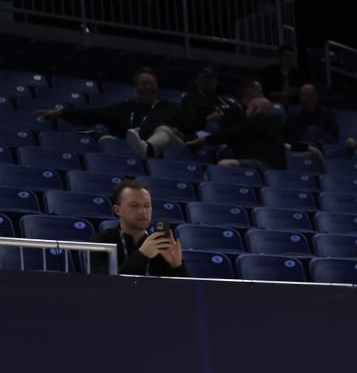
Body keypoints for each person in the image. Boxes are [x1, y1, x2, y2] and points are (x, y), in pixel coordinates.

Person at [39, 67, 188, 159]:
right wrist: (62, 113)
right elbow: (95, 114)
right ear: (136, 87)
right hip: (132, 150)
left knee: (164, 130)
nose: (148, 87)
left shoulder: (171, 107)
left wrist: (182, 134)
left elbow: (189, 128)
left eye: (152, 84)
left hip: (167, 149)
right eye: (144, 84)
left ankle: (147, 149)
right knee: (106, 138)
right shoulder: (125, 107)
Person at [102, 179, 186, 277]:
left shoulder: (159, 246)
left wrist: (177, 265)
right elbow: (103, 283)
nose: (143, 211)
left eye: (147, 205)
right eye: (134, 206)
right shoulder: (103, 241)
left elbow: (183, 291)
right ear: (117, 210)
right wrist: (142, 255)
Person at [212, 96, 288, 171]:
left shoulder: (257, 120)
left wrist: (205, 140)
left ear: (254, 109)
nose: (246, 111)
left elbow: (231, 134)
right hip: (277, 170)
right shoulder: (275, 124)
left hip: (265, 165)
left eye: (248, 108)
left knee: (224, 163)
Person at [178, 65, 241, 144]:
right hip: (199, 135)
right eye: (205, 78)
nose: (209, 81)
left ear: (216, 81)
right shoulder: (190, 98)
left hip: (225, 135)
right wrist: (206, 120)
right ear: (197, 81)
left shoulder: (225, 100)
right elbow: (187, 123)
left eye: (211, 78)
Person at [283, 83, 339, 165]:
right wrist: (306, 148)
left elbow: (333, 139)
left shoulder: (327, 117)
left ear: (316, 97)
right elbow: (288, 142)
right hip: (299, 156)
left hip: (322, 157)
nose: (303, 99)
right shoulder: (292, 118)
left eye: (307, 95)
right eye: (301, 95)